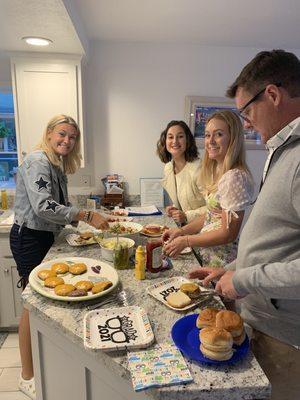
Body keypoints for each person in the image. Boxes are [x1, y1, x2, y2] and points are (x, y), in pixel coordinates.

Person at [189, 50, 300, 400]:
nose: (247, 123)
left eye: (247, 111)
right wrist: (230, 270)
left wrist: (244, 279)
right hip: (261, 323)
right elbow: (277, 239)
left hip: (285, 339)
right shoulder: (282, 152)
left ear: (273, 95)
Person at [9, 114, 109, 399]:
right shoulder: (39, 161)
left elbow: (60, 206)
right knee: (32, 303)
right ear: (49, 133)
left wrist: (86, 220)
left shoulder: (56, 163)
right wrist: (87, 214)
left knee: (40, 300)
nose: (67, 140)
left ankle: (40, 363)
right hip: (29, 238)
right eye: (62, 134)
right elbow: (43, 207)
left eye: (73, 137)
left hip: (42, 236)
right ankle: (27, 376)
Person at [163, 110, 253, 267]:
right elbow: (210, 216)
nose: (210, 141)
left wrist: (186, 240)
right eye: (207, 135)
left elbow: (228, 234)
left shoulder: (234, 177)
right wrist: (181, 231)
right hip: (207, 255)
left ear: (233, 138)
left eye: (218, 134)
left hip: (220, 261)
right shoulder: (216, 170)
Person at [157, 120, 206, 224]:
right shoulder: (168, 168)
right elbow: (187, 199)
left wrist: (186, 216)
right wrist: (175, 209)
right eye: (170, 137)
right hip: (186, 229)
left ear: (187, 140)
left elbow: (215, 207)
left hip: (205, 230)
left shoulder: (198, 168)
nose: (174, 141)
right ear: (165, 141)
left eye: (180, 136)